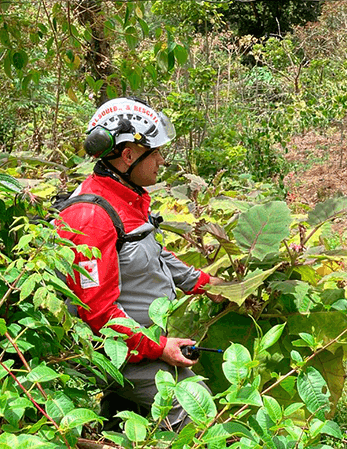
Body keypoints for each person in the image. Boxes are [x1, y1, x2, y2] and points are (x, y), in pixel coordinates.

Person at [56, 97, 225, 430]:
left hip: (141, 344)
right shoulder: (91, 216)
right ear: (128, 155)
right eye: (155, 151)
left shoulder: (126, 196)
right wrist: (159, 348)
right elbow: (97, 313)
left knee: (121, 427)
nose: (161, 159)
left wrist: (203, 283)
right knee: (196, 408)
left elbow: (153, 253)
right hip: (114, 350)